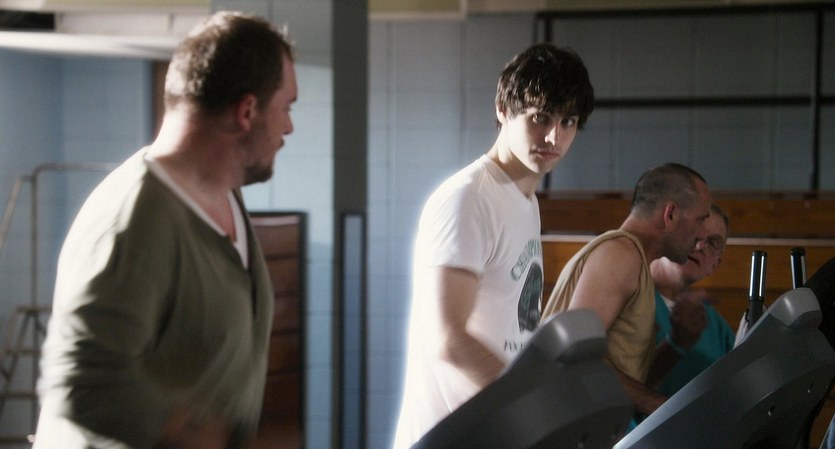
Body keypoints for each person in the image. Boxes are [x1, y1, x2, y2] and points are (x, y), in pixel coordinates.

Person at [33, 11, 296, 449]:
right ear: (247, 111)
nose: (289, 127)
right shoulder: (133, 221)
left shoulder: (224, 193)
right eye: (286, 108)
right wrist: (200, 435)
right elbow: (80, 384)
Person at [393, 43, 594, 448]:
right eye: (540, 117)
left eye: (568, 121)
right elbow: (449, 340)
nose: (554, 136)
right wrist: (536, 405)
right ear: (503, 109)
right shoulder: (469, 197)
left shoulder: (525, 201)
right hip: (447, 437)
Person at [541, 162, 712, 417]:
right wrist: (665, 411)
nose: (702, 235)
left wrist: (676, 344)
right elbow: (577, 354)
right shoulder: (621, 254)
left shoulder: (633, 260)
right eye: (700, 221)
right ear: (671, 214)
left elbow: (623, 377)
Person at [646, 203, 735, 398]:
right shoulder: (630, 293)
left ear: (714, 265)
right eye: (695, 234)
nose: (701, 246)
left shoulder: (713, 323)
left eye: (713, 242)